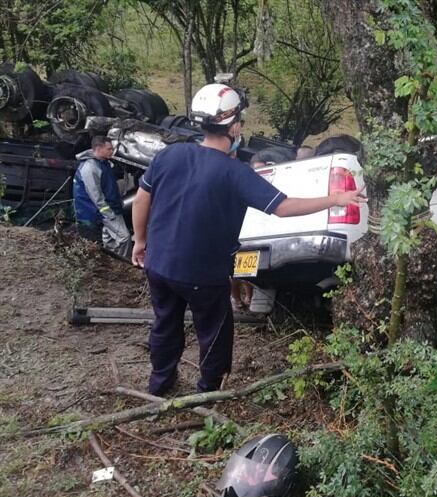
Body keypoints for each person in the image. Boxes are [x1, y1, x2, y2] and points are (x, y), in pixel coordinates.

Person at [131, 83, 365, 396]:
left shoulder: (170, 155)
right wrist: (334, 198)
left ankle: (159, 385)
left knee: (164, 323)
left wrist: (140, 241)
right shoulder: (235, 173)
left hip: (158, 265)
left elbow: (141, 199)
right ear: (234, 126)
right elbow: (284, 207)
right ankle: (209, 392)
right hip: (202, 274)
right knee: (214, 332)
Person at [72, 135, 131, 257]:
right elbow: (95, 195)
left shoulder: (103, 163)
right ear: (98, 149)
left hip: (110, 208)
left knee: (109, 240)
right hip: (105, 211)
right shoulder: (90, 168)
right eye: (109, 149)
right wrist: (108, 213)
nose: (112, 151)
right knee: (124, 237)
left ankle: (111, 262)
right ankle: (122, 264)